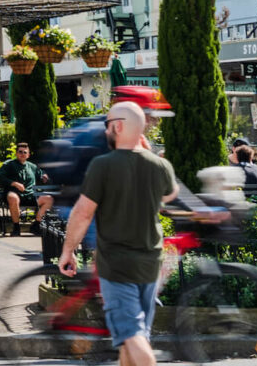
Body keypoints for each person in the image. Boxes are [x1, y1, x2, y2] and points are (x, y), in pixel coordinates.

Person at [58, 101, 178, 366]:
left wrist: (68, 250)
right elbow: (170, 195)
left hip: (118, 266)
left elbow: (83, 213)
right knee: (131, 338)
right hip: (149, 264)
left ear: (118, 127)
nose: (105, 132)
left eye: (107, 126)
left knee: (133, 337)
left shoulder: (103, 165)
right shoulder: (160, 166)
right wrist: (150, 155)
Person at [0, 142, 54, 236]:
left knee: (49, 199)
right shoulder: (9, 165)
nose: (22, 154)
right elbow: (0, 178)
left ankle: (36, 225)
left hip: (30, 195)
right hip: (15, 194)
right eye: (20, 152)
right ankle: (16, 228)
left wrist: (44, 175)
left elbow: (41, 173)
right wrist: (14, 183)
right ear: (16, 153)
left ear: (28, 155)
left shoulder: (32, 166)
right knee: (13, 197)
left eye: (25, 152)